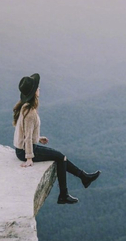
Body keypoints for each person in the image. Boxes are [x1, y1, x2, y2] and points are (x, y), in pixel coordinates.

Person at [13, 73, 100, 204]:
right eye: (37, 88)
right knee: (61, 157)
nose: (39, 89)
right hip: (24, 151)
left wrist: (38, 137)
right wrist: (29, 158)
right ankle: (66, 192)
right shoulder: (30, 111)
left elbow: (26, 132)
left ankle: (83, 178)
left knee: (60, 157)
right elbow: (27, 136)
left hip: (21, 149)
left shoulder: (25, 107)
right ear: (33, 92)